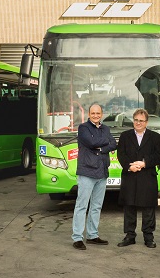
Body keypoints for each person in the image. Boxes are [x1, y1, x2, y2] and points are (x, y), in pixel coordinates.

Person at [71, 103, 117, 250]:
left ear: (101, 114)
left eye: (98, 113)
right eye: (93, 113)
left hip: (102, 172)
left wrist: (100, 148)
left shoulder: (106, 128)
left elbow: (114, 143)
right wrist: (104, 144)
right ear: (89, 114)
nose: (96, 115)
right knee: (81, 206)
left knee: (96, 206)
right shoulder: (83, 128)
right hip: (87, 172)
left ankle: (92, 235)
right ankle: (77, 238)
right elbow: (91, 142)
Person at [116, 108, 160, 248]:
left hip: (147, 176)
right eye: (136, 120)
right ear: (133, 121)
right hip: (130, 175)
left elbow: (159, 155)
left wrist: (144, 163)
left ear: (146, 122)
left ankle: (149, 237)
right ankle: (129, 236)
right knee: (129, 207)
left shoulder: (155, 137)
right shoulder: (125, 136)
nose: (138, 123)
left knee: (148, 208)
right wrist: (128, 166)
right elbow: (121, 154)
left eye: (141, 121)